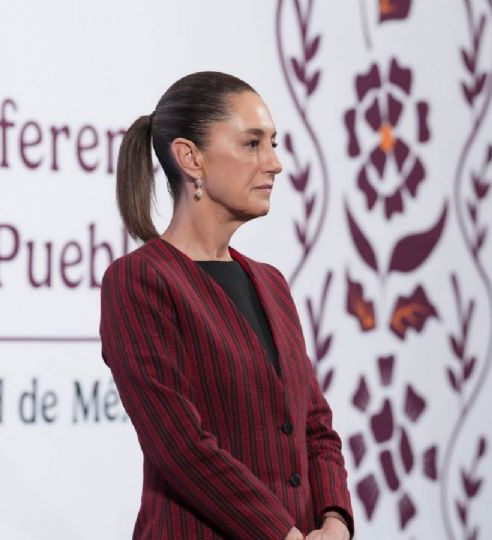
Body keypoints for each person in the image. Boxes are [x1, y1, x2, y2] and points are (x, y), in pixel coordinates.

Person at [99, 71, 354, 540]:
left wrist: (334, 520)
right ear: (190, 158)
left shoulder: (271, 283)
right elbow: (180, 446)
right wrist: (282, 533)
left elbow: (315, 426)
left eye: (273, 143)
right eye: (252, 143)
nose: (275, 163)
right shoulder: (141, 280)